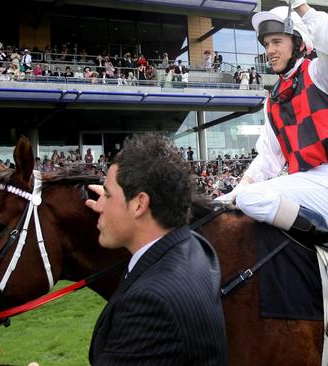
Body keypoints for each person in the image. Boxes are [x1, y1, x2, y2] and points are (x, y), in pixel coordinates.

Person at [216, 0, 328, 293]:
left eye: (277, 42)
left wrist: (301, 7)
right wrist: (231, 194)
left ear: (298, 43)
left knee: (251, 200)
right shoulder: (272, 99)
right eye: (266, 44)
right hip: (306, 182)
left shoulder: (318, 73)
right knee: (242, 200)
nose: (270, 50)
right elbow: (267, 161)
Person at [85, 133, 227, 365]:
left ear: (140, 204)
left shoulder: (150, 305)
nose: (99, 205)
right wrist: (118, 206)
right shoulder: (195, 245)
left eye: (107, 195)